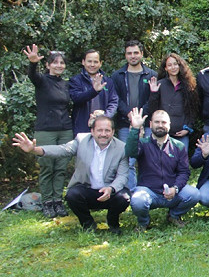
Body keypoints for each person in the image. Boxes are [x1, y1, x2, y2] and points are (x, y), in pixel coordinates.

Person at [12, 116, 130, 234]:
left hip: (109, 192)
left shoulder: (121, 148)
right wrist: (35, 150)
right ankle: (88, 224)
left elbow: (122, 176)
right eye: (99, 130)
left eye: (107, 130)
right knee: (72, 195)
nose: (103, 134)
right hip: (87, 190)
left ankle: (113, 222)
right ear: (92, 131)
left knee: (124, 198)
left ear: (113, 132)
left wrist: (111, 188)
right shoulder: (82, 140)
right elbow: (62, 150)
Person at [126, 108, 199, 230]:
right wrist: (135, 129)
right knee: (137, 201)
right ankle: (144, 222)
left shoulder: (178, 146)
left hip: (172, 192)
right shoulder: (143, 144)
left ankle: (173, 216)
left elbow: (184, 172)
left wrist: (175, 189)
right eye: (157, 122)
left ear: (169, 125)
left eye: (164, 122)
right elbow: (130, 152)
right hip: (149, 192)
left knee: (194, 194)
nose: (160, 125)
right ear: (150, 124)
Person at [23, 44, 74, 218]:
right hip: (45, 130)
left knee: (60, 168)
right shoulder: (42, 81)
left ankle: (57, 201)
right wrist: (32, 63)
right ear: (48, 65)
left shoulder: (66, 84)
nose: (59, 65)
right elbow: (32, 75)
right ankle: (47, 202)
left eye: (62, 63)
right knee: (47, 168)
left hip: (65, 130)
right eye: (55, 62)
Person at [111, 40, 156, 191]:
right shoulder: (117, 76)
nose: (133, 56)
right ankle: (131, 191)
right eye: (129, 53)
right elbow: (115, 99)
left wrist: (140, 116)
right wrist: (131, 116)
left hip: (147, 122)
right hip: (125, 123)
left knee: (149, 157)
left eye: (136, 52)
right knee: (128, 160)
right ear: (125, 55)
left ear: (142, 54)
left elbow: (154, 99)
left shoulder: (151, 75)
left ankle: (148, 189)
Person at [148, 53, 199, 151]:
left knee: (181, 164)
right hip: (162, 134)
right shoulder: (160, 85)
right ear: (166, 68)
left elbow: (193, 110)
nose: (173, 67)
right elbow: (152, 110)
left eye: (175, 64)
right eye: (169, 65)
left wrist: (187, 128)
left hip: (181, 135)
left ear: (180, 66)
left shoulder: (189, 86)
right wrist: (153, 93)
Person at [69, 49, 118, 136]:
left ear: (100, 63)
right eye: (89, 61)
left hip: (103, 128)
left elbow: (113, 102)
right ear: (83, 62)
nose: (92, 65)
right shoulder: (76, 80)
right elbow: (76, 98)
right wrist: (94, 91)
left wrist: (105, 117)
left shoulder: (108, 81)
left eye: (95, 62)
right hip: (82, 127)